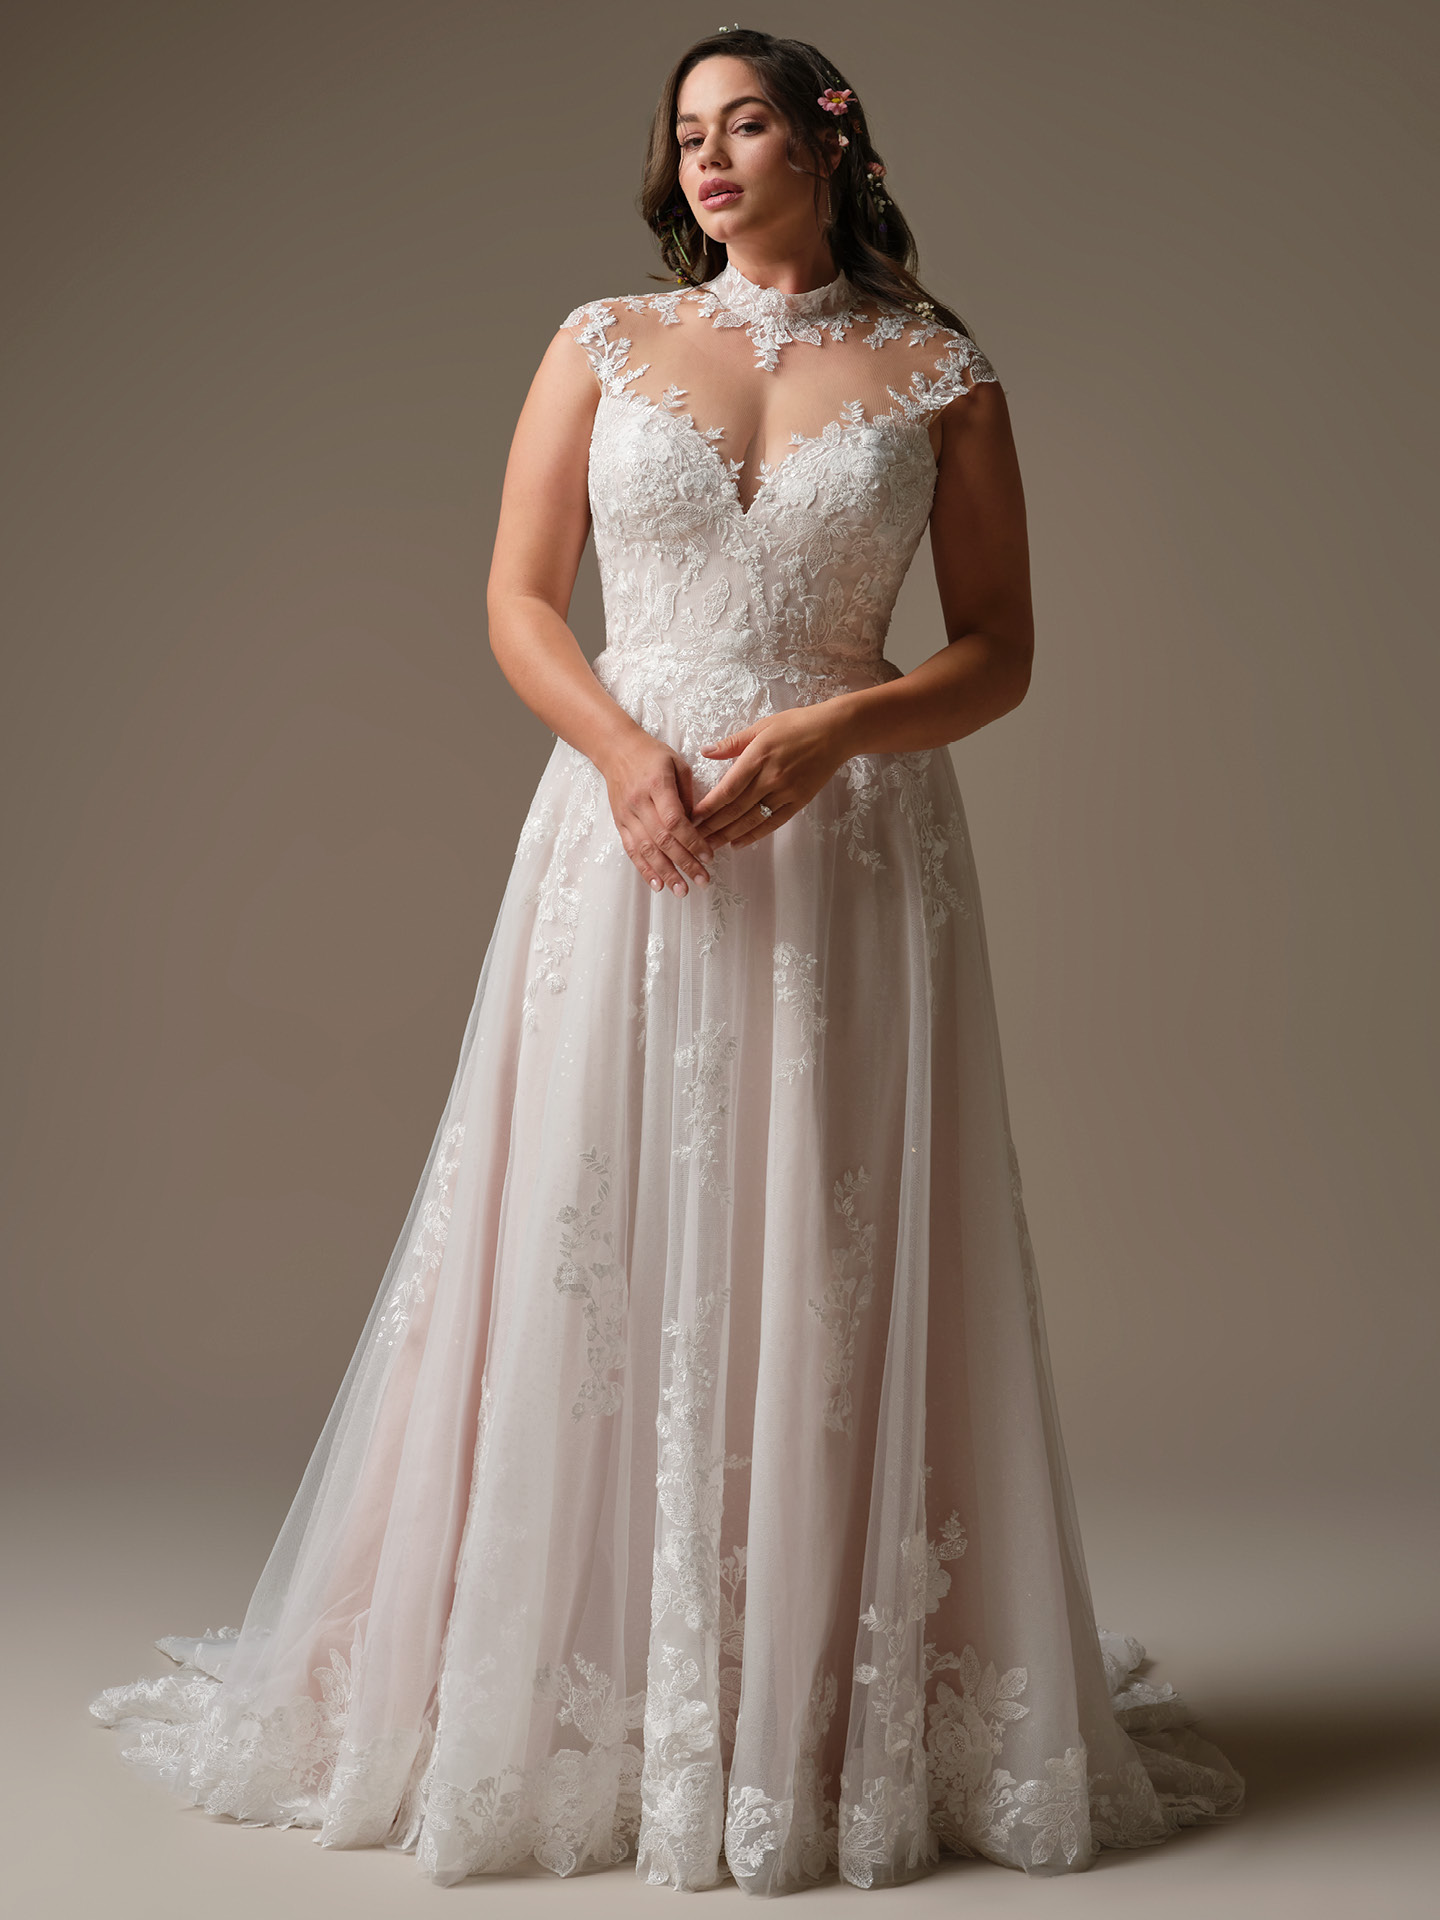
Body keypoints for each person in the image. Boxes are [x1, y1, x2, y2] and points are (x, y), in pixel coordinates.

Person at [88, 26, 1244, 1896]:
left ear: (829, 134)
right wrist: (632, 756)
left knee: (824, 1232)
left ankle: (803, 1705)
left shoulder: (939, 367)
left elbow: (1005, 647)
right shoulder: (600, 342)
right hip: (626, 840)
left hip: (850, 844)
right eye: (687, 134)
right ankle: (588, 1677)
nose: (708, 159)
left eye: (747, 123)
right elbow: (516, 596)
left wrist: (832, 738)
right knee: (584, 1227)